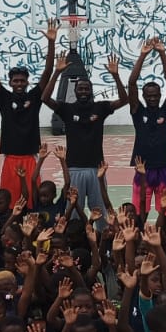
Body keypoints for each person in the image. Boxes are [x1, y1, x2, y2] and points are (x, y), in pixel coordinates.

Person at [0, 18, 58, 207]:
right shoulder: (4, 98)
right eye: (16, 81)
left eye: (22, 81)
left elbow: (47, 73)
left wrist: (51, 42)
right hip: (10, 158)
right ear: (10, 83)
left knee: (32, 202)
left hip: (31, 158)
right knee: (9, 202)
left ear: (27, 82)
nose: (19, 84)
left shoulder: (35, 98)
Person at [44, 55, 128, 218]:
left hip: (97, 169)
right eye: (80, 89)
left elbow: (125, 100)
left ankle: (104, 241)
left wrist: (116, 76)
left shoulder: (100, 108)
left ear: (91, 91)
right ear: (75, 91)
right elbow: (45, 99)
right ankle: (76, 242)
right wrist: (56, 72)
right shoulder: (67, 109)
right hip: (74, 168)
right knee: (74, 211)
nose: (83, 91)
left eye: (86, 89)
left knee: (101, 212)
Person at [126, 39, 166, 215]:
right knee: (140, 213)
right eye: (149, 96)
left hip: (163, 168)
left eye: (156, 95)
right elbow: (131, 83)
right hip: (143, 169)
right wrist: (143, 55)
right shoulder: (137, 111)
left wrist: (163, 52)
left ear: (160, 95)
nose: (153, 99)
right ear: (144, 96)